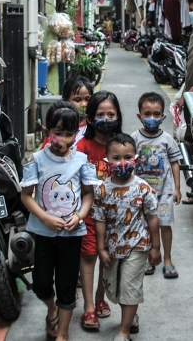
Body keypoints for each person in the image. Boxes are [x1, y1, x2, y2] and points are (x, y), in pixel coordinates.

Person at [20, 101, 97, 341]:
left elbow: (87, 194)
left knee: (66, 286)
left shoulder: (82, 161)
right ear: (47, 131)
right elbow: (26, 195)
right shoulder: (36, 160)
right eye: (58, 132)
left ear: (77, 132)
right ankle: (51, 308)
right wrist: (44, 217)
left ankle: (62, 334)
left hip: (72, 235)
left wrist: (79, 216)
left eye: (69, 133)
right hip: (43, 233)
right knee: (41, 283)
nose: (63, 138)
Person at [93, 133, 161, 341]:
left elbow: (152, 218)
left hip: (137, 245)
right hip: (113, 247)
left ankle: (123, 331)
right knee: (115, 287)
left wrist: (155, 247)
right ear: (107, 160)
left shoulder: (143, 188)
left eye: (128, 157)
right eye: (116, 158)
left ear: (136, 158)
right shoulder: (102, 189)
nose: (123, 163)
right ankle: (130, 315)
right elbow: (100, 220)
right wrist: (101, 248)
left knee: (130, 287)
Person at [76, 91, 123, 330]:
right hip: (89, 216)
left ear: (118, 116)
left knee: (108, 259)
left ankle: (100, 297)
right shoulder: (83, 146)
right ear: (91, 119)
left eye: (111, 114)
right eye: (100, 114)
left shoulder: (121, 146)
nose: (106, 118)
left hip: (114, 217)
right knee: (88, 258)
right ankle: (88, 308)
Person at [131, 92, 182, 279]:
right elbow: (129, 163)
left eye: (156, 114)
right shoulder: (134, 139)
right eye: (147, 114)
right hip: (142, 194)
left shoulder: (167, 139)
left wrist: (177, 188)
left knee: (165, 225)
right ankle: (149, 258)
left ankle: (167, 259)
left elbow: (175, 163)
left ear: (162, 116)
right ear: (139, 116)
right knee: (145, 226)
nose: (152, 118)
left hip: (164, 192)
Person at [61, 76, 93, 142]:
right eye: (78, 100)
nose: (84, 104)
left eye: (88, 99)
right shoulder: (59, 127)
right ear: (65, 101)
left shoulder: (95, 127)